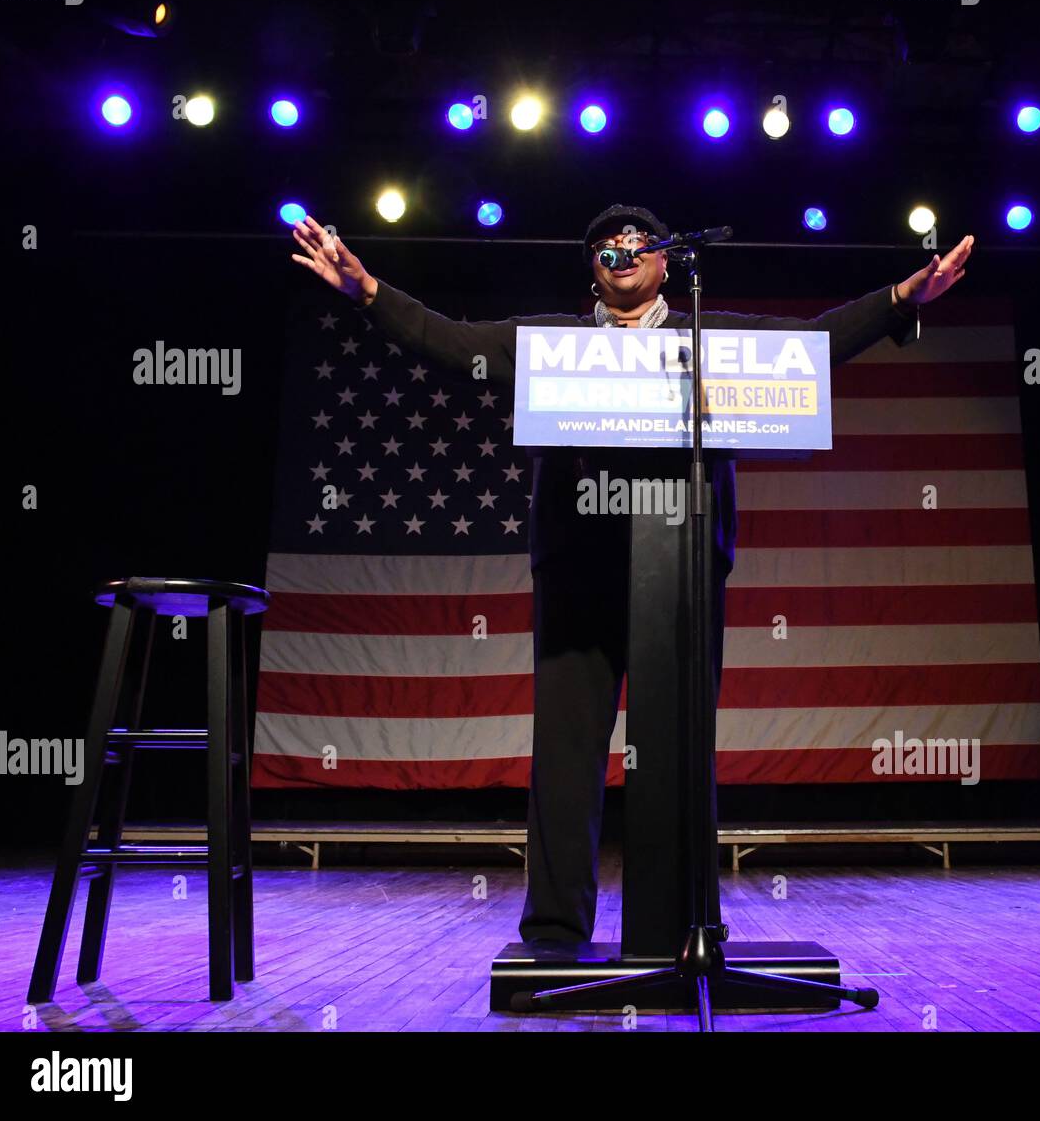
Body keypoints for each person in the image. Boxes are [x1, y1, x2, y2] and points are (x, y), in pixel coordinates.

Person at [291, 205, 974, 946]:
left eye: (633, 240)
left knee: (680, 756)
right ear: (592, 264)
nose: (618, 251)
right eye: (602, 244)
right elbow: (453, 342)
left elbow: (812, 345)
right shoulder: (554, 345)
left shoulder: (710, 340)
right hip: (578, 570)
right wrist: (367, 292)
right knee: (564, 756)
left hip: (679, 572)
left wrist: (900, 301)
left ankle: (682, 926)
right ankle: (554, 930)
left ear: (665, 260)